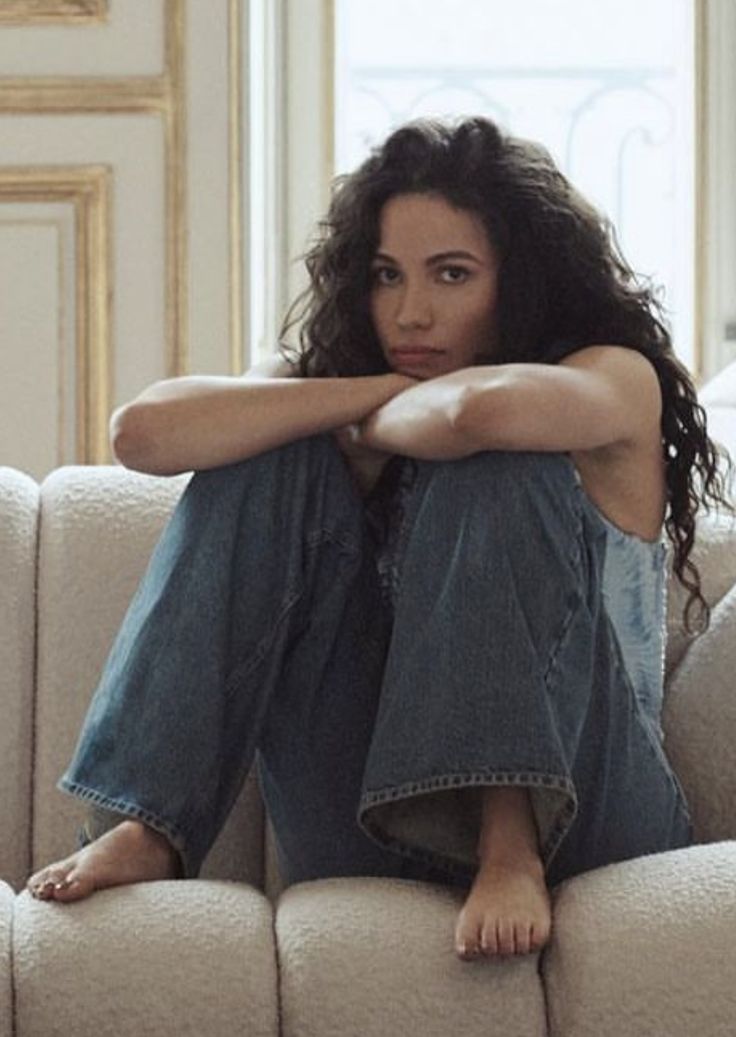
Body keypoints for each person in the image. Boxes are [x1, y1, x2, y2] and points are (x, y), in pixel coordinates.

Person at [27, 115, 734, 963]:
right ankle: (151, 824)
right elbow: (143, 432)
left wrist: (362, 416)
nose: (412, 311)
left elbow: (481, 412)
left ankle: (509, 837)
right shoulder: (366, 377)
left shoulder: (610, 376)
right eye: (387, 276)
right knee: (266, 460)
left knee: (495, 465)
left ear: (522, 281)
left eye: (452, 274)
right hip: (383, 811)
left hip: (591, 815)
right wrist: (360, 394)